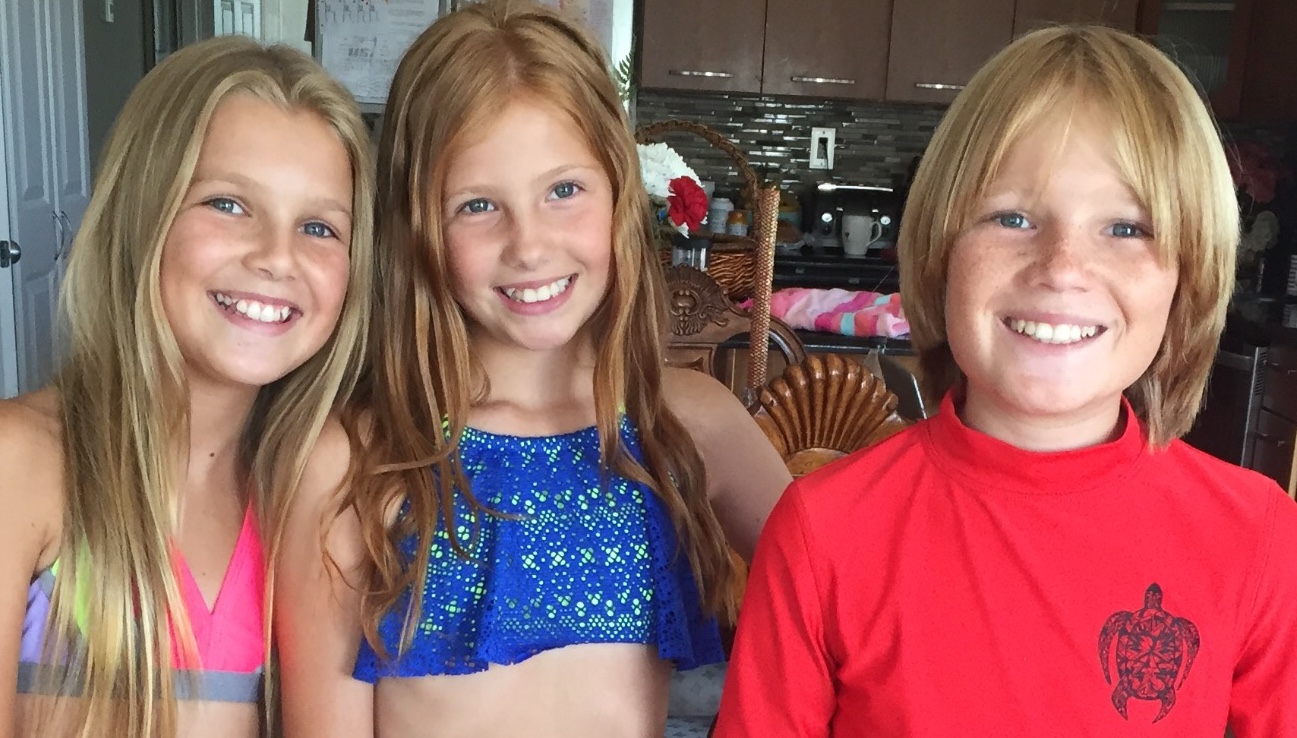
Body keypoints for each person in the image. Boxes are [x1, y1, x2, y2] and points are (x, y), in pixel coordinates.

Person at [714, 24, 1297, 737]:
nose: (1062, 267)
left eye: (1126, 228)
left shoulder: (1259, 536)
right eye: (1012, 217)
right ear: (940, 255)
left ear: (1188, 279)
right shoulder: (821, 530)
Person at [272, 1, 792, 736]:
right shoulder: (354, 461)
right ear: (417, 226)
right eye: (478, 205)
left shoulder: (690, 423)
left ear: (618, 193)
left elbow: (850, 615)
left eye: (563, 191)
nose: (530, 245)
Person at [0, 35, 374, 738]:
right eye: (228, 204)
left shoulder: (321, 496)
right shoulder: (19, 461)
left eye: (318, 226)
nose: (277, 257)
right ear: (142, 215)